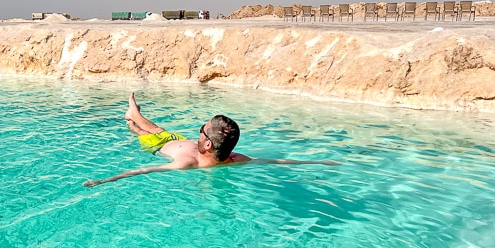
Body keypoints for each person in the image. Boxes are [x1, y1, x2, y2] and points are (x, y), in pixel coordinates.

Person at [83, 93, 338, 187]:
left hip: (159, 146)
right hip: (176, 139)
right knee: (158, 127)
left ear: (206, 144)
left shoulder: (186, 164)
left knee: (144, 132)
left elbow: (142, 171)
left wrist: (103, 180)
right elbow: (275, 161)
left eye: (202, 130)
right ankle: (135, 114)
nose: (201, 132)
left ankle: (133, 118)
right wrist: (318, 162)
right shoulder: (234, 159)